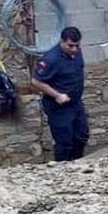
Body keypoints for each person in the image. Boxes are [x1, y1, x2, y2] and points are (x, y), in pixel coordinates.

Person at [32, 26, 89, 161]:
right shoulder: (51, 59)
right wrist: (57, 95)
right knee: (64, 141)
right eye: (70, 46)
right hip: (59, 107)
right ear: (62, 41)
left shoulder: (77, 53)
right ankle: (62, 168)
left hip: (75, 103)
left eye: (77, 45)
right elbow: (36, 81)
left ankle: (77, 164)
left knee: (81, 136)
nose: (74, 49)